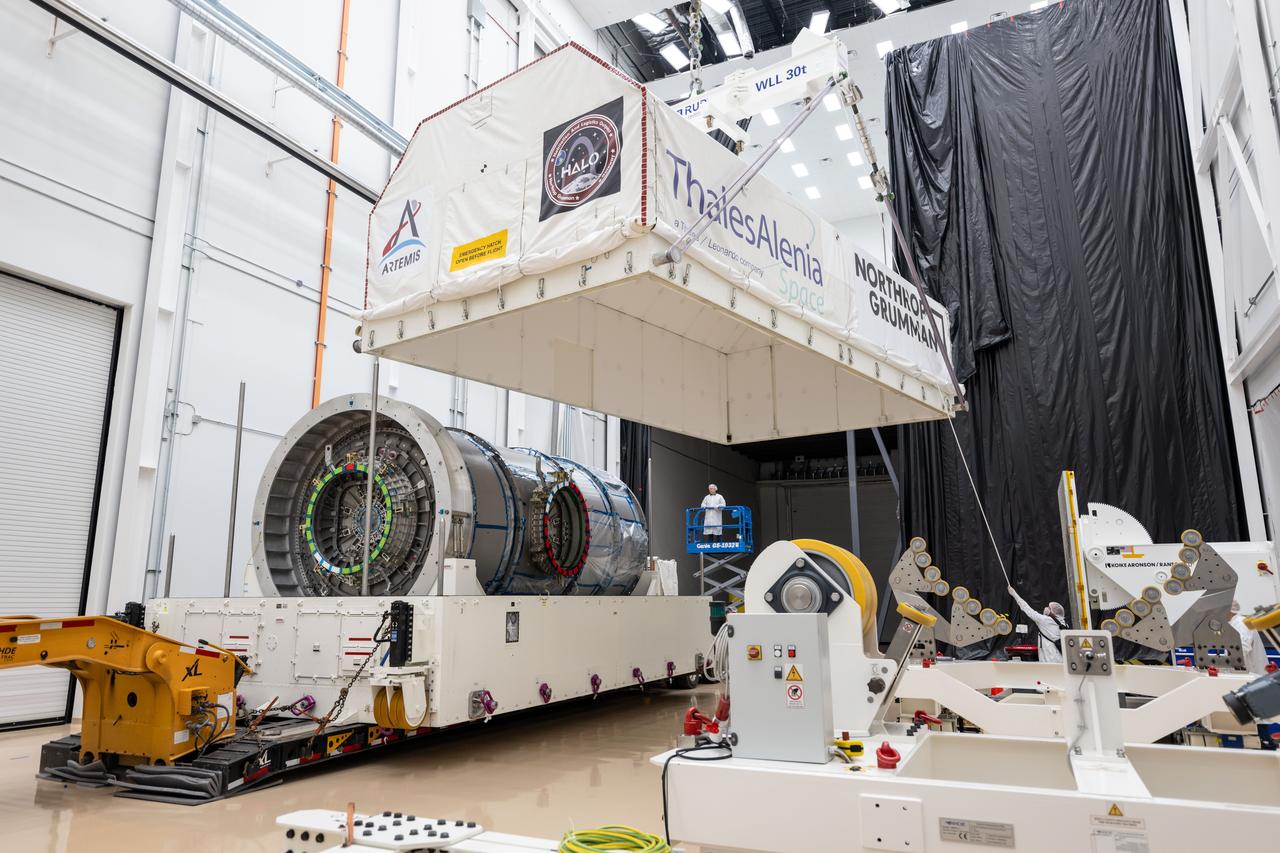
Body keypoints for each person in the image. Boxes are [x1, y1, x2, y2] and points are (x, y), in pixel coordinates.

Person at [1008, 585, 1068, 663]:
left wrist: (1014, 594)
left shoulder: (1045, 621)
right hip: (1061, 659)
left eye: (1049, 608)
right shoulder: (1063, 623)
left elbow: (1027, 609)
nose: (1046, 608)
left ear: (1053, 612)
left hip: (1050, 660)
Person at [1230, 600, 1271, 676]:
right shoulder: (1232, 624)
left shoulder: (1241, 623)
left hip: (1254, 675)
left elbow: (1241, 650)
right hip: (1244, 675)